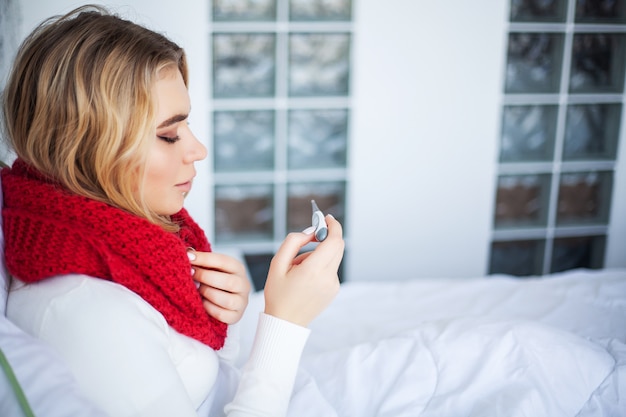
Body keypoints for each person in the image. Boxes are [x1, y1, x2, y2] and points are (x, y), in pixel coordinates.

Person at [1, 5, 344, 416]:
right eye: (168, 135)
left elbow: (200, 376)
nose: (198, 149)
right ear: (86, 148)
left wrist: (221, 316)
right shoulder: (88, 316)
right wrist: (284, 322)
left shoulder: (134, 246)